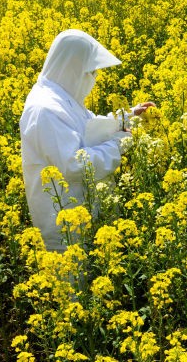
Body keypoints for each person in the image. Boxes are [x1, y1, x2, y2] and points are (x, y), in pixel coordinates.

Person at [20, 29, 154, 251]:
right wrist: (118, 145)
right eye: (90, 72)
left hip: (83, 214)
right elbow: (73, 165)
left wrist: (128, 115)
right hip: (64, 229)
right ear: (72, 68)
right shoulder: (45, 109)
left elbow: (87, 127)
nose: (94, 78)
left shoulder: (61, 97)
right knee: (73, 281)